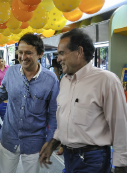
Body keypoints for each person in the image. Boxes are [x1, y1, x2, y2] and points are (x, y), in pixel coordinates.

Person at [39, 28, 127, 173]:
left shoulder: (106, 80)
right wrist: (52, 144)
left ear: (79, 52)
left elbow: (120, 127)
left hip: (93, 159)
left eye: (62, 53)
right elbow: (65, 120)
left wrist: (121, 166)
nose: (58, 59)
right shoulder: (65, 81)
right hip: (69, 157)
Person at [0, 33, 60, 173]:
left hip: (35, 142)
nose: (23, 57)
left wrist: (49, 143)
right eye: (20, 52)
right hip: (8, 138)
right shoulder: (11, 73)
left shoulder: (51, 80)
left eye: (28, 53)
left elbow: (54, 115)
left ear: (40, 54)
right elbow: (0, 95)